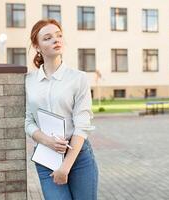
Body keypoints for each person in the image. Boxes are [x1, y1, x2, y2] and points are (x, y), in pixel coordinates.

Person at [25, 19, 98, 200]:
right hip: (46, 158)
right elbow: (28, 121)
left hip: (78, 157)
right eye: (48, 38)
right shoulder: (29, 81)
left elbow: (82, 125)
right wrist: (47, 141)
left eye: (58, 35)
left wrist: (65, 167)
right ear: (37, 46)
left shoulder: (78, 78)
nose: (56, 40)